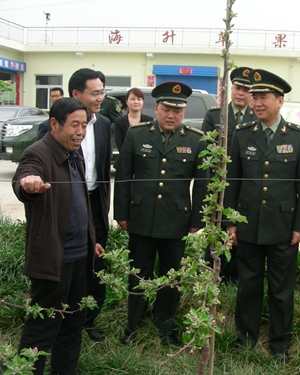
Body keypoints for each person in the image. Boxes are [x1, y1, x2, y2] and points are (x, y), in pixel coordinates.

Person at [225, 69, 300, 362]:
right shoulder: (242, 134)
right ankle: (246, 339)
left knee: (280, 290)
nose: (256, 103)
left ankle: (279, 344)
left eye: (263, 97)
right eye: (254, 97)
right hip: (248, 225)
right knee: (248, 286)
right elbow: (233, 182)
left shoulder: (298, 137)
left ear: (280, 100)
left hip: (283, 227)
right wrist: (230, 223)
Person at [13, 98, 104, 375]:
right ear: (54, 124)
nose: (80, 132)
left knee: (73, 326)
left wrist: (92, 240)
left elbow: (80, 204)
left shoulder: (74, 155)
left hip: (80, 258)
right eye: (74, 125)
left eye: (84, 125)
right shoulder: (38, 154)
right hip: (53, 262)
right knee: (42, 328)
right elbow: (24, 180)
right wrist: (29, 184)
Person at [114, 81, 208, 346]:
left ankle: (166, 326)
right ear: (155, 108)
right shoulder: (137, 134)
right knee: (137, 273)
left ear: (184, 112)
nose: (171, 115)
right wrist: (121, 213)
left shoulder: (195, 138)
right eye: (166, 108)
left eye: (177, 111)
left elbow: (202, 183)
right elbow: (123, 177)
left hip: (176, 221)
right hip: (141, 217)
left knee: (172, 276)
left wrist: (196, 221)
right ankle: (132, 325)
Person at [37, 68, 112, 342]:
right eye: (95, 93)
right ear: (76, 94)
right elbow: (39, 167)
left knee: (95, 263)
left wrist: (104, 209)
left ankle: (87, 319)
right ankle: (58, 318)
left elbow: (104, 170)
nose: (100, 98)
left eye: (102, 92)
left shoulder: (103, 124)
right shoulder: (52, 127)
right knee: (67, 264)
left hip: (94, 203)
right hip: (65, 205)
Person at [201, 66, 257, 283]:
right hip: (219, 184)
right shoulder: (215, 115)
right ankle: (214, 273)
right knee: (216, 229)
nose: (241, 93)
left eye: (246, 89)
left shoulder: (256, 117)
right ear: (231, 89)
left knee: (240, 231)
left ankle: (236, 275)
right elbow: (206, 153)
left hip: (245, 186)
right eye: (238, 87)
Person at [114, 87, 154, 152]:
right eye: (132, 99)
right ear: (127, 102)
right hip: (125, 158)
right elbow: (120, 145)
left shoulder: (149, 120)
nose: (136, 102)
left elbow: (150, 143)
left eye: (139, 99)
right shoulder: (119, 122)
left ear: (143, 101)